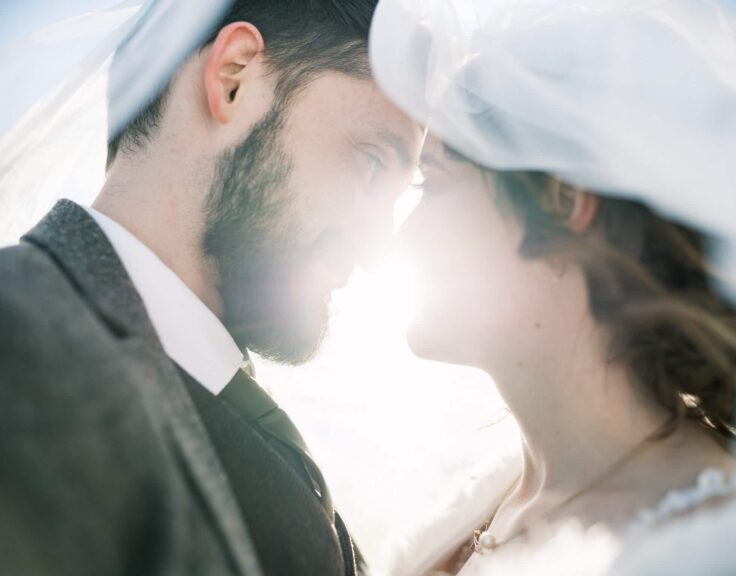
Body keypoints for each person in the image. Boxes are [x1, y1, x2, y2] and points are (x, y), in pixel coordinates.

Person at [0, 1, 422, 575]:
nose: (376, 250)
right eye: (372, 162)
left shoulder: (219, 390)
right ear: (233, 78)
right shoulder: (15, 335)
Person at [368, 0, 736, 574]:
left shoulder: (719, 549)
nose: (399, 239)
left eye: (433, 183)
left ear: (563, 205)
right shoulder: (478, 506)